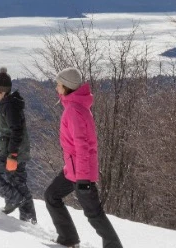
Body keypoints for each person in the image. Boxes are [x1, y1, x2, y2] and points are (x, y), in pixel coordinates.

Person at [44, 67, 123, 248]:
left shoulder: (73, 110)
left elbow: (82, 146)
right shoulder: (75, 107)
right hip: (72, 170)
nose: (56, 88)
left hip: (80, 173)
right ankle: (68, 239)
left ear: (66, 87)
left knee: (93, 212)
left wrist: (82, 178)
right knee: (51, 196)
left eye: (58, 84)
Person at [0, 67, 36, 223]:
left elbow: (16, 131)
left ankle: (13, 199)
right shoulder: (8, 104)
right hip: (13, 151)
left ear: (2, 91)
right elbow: (5, 133)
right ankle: (29, 221)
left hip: (14, 153)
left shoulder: (10, 106)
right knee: (18, 183)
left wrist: (12, 156)